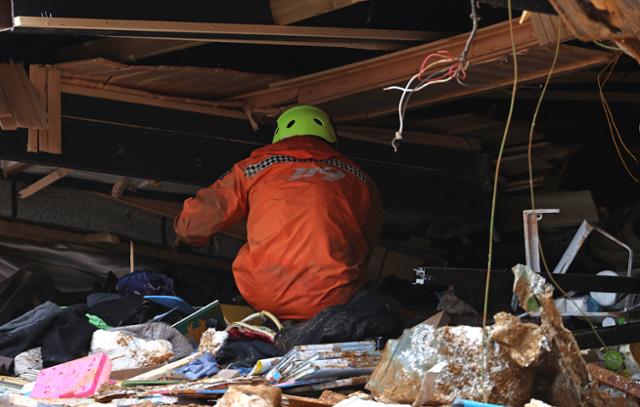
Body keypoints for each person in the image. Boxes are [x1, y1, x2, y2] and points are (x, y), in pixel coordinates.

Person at [174, 105, 383, 321]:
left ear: (279, 135)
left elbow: (195, 223)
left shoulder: (256, 167)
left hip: (265, 294)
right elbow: (366, 243)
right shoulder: (359, 179)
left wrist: (186, 237)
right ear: (331, 138)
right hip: (335, 297)